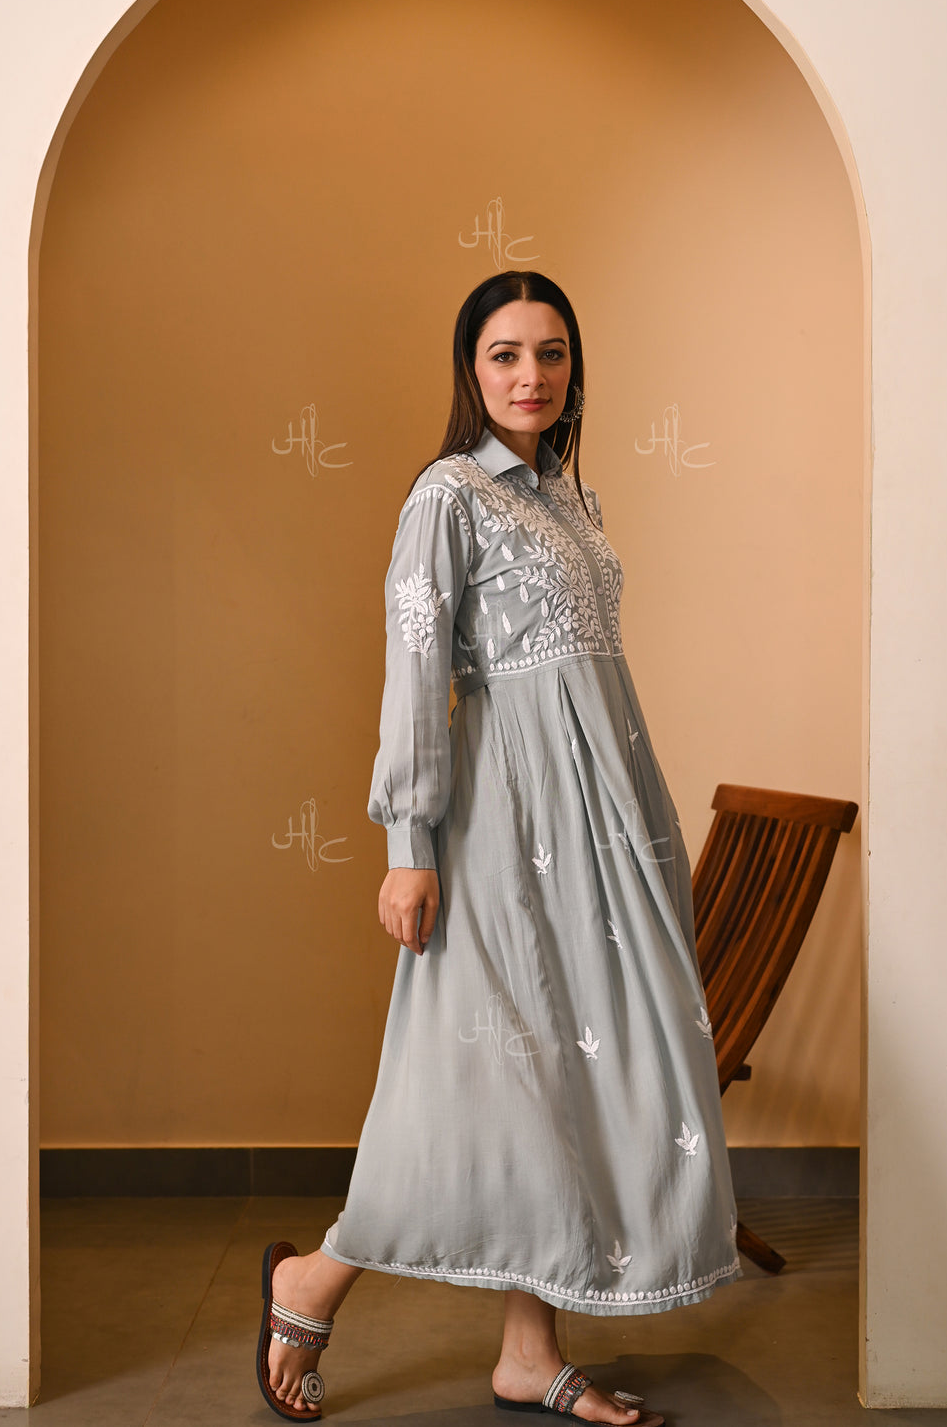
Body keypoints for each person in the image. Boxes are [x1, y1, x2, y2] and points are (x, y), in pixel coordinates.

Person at [255, 271, 741, 1425]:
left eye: (552, 353)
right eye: (506, 354)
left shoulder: (572, 497)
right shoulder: (449, 495)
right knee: (474, 1076)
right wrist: (408, 841)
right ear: (471, 371)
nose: (532, 375)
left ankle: (529, 1352)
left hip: (606, 820)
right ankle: (311, 1279)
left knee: (564, 1077)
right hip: (504, 830)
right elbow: (416, 671)